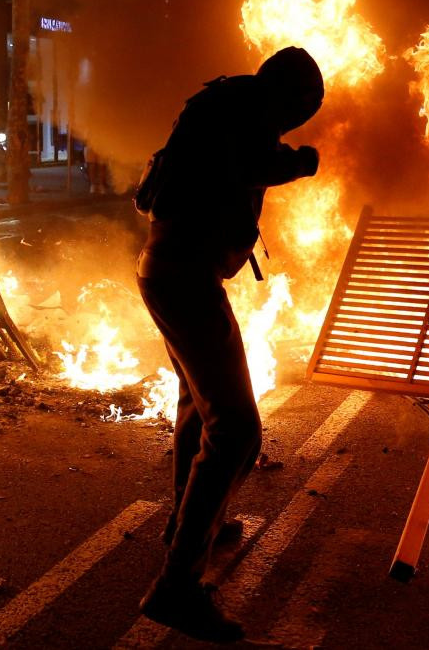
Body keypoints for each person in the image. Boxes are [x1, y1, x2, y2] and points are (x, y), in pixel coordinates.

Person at [134, 46, 324, 643]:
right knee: (238, 430)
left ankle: (192, 524)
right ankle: (176, 587)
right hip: (184, 274)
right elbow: (249, 163)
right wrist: (301, 162)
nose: (292, 128)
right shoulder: (243, 112)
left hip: (171, 269)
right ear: (287, 96)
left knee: (198, 405)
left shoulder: (222, 103)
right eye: (298, 114)